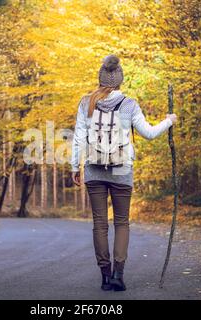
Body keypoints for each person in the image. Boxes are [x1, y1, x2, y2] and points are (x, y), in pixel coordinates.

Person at [70, 54, 177, 291]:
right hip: (121, 171)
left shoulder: (86, 102)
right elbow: (149, 133)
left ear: (100, 79)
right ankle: (119, 274)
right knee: (121, 222)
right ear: (120, 80)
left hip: (94, 170)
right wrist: (169, 121)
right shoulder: (129, 104)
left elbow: (78, 137)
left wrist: (74, 166)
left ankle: (105, 276)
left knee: (99, 224)